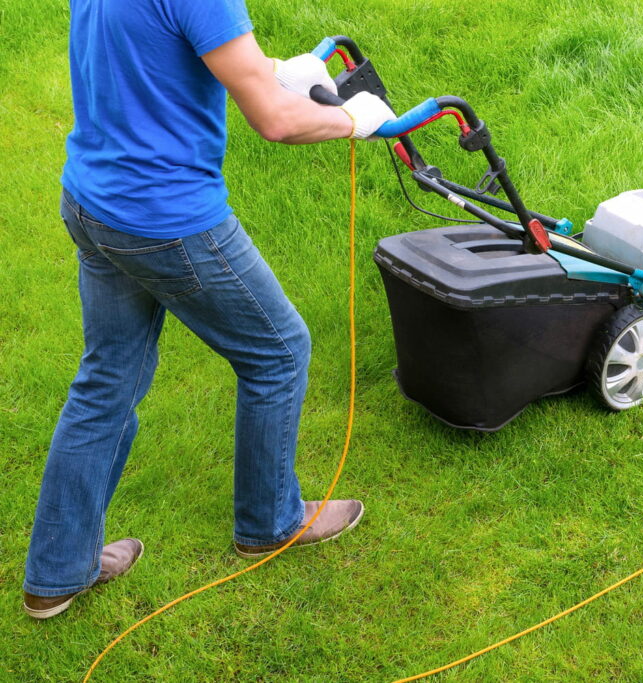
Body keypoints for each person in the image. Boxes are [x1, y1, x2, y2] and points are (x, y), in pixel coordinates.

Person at [23, 0, 396, 620]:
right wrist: (356, 121)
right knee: (279, 350)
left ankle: (55, 574)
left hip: (92, 199)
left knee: (108, 379)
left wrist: (274, 65)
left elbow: (153, 49)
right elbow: (275, 122)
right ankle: (270, 522)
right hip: (166, 220)